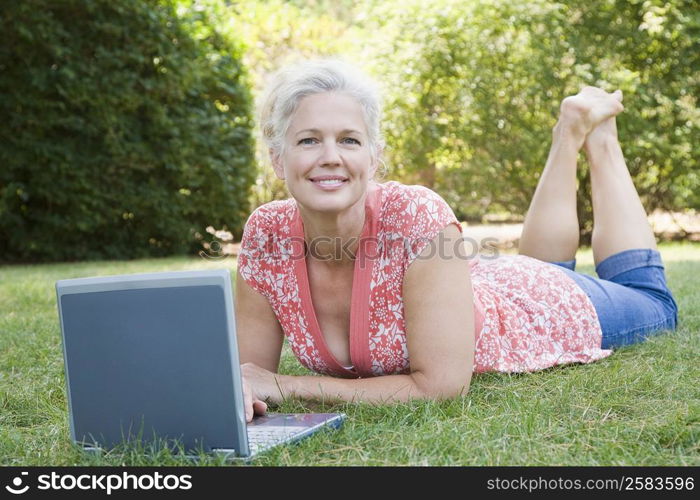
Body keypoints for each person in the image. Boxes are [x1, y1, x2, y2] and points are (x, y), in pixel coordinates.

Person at [234, 59, 679, 422]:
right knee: (544, 266)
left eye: (349, 140)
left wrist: (289, 386)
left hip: (545, 308)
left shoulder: (414, 214)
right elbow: (248, 377)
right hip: (486, 285)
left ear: (373, 157)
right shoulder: (267, 234)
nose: (330, 157)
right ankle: (569, 130)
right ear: (278, 158)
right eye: (308, 140)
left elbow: (442, 387)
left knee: (654, 302)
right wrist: (244, 393)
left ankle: (599, 139)